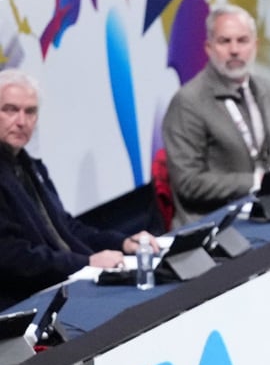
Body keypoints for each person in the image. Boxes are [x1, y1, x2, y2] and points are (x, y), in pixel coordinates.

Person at [0, 69, 157, 309]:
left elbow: (66, 228)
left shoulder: (30, 166)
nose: (22, 121)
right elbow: (12, 255)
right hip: (26, 303)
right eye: (10, 110)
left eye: (30, 111)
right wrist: (86, 262)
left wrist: (122, 243)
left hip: (66, 286)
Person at [162, 4, 270, 228]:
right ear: (209, 48)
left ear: (255, 45)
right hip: (216, 222)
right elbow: (188, 182)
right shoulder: (188, 102)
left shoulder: (268, 90)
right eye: (225, 41)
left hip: (268, 207)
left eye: (242, 40)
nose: (234, 50)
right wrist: (256, 182)